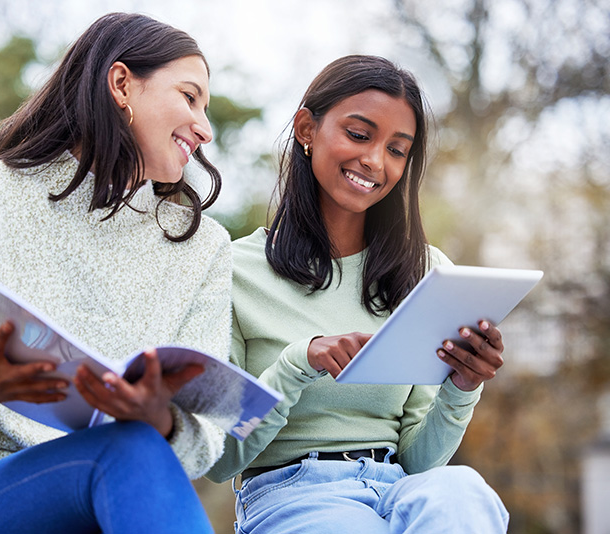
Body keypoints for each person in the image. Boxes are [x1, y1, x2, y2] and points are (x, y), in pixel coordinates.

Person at [0, 12, 231, 534]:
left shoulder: (204, 248)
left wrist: (160, 418)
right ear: (122, 83)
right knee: (127, 452)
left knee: (134, 447)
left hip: (118, 496)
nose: (205, 128)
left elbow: (207, 438)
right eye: (190, 98)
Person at [206, 55, 510, 533]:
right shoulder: (231, 271)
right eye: (359, 135)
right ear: (306, 129)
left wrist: (461, 388)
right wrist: (298, 364)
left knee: (464, 491)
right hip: (289, 494)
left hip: (397, 487)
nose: (375, 161)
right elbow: (220, 458)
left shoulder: (428, 274)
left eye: (397, 149)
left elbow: (419, 459)